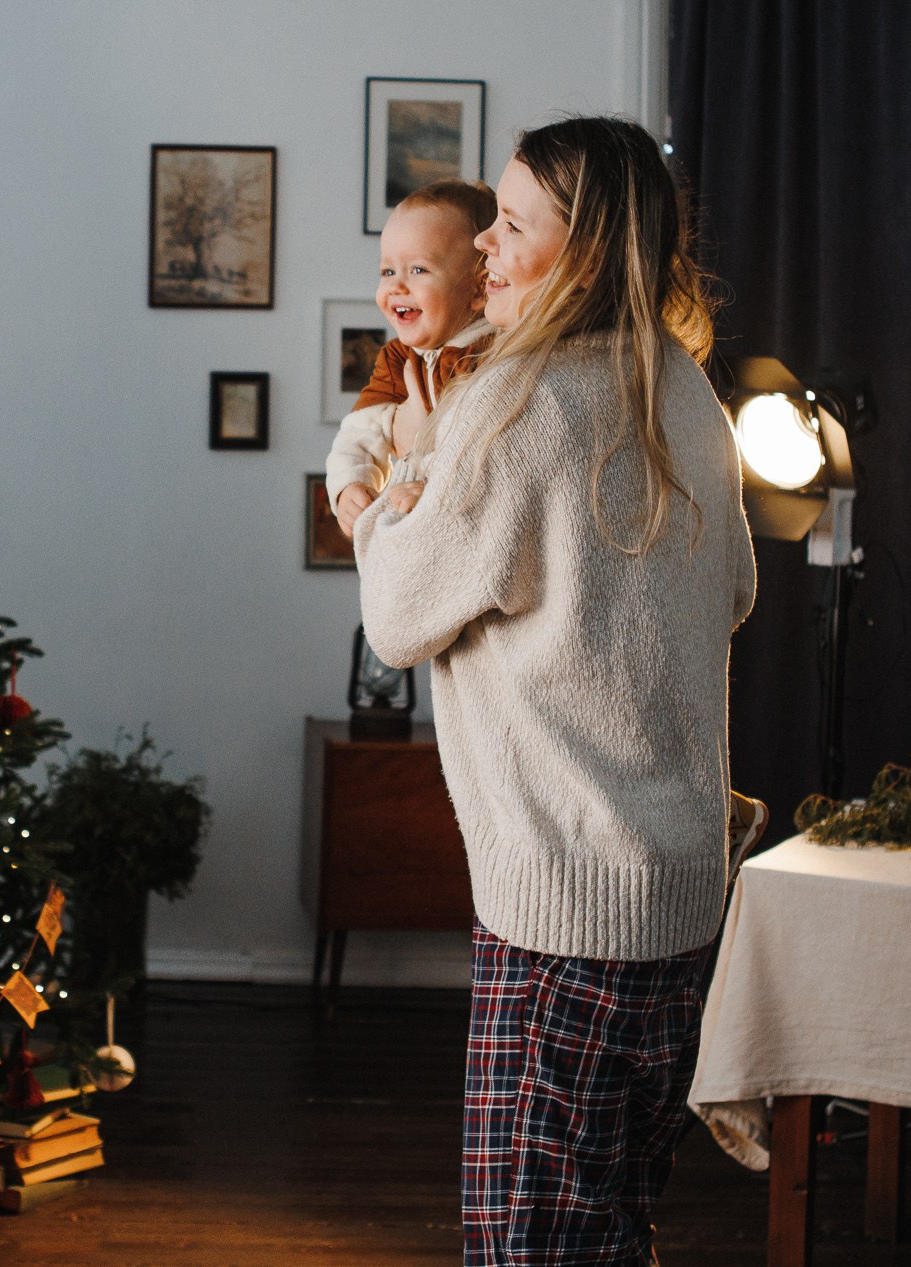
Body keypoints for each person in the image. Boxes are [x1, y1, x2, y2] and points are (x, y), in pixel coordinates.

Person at [352, 115, 757, 1267]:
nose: (482, 245)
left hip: (563, 918)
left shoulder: (518, 401)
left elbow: (395, 615)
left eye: (512, 224)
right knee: (612, 1234)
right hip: (679, 904)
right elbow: (730, 589)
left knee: (530, 1252)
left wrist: (379, 507)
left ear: (578, 251)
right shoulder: (683, 389)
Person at [326, 179, 498, 536]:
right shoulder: (396, 359)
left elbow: (492, 457)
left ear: (479, 288)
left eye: (418, 270)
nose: (396, 287)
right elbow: (361, 433)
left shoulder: (496, 354)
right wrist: (349, 486)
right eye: (387, 271)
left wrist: (434, 488)